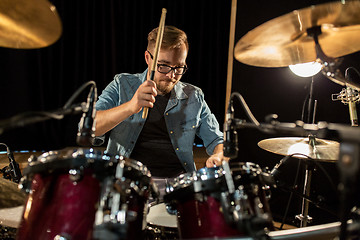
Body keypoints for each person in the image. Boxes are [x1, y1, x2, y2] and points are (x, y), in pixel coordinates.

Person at [94, 25, 227, 197]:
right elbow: (93, 126)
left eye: (179, 67)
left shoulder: (194, 96)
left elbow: (217, 139)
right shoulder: (122, 84)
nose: (171, 75)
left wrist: (219, 155)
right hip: (128, 184)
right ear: (148, 58)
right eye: (164, 66)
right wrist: (131, 106)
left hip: (178, 185)